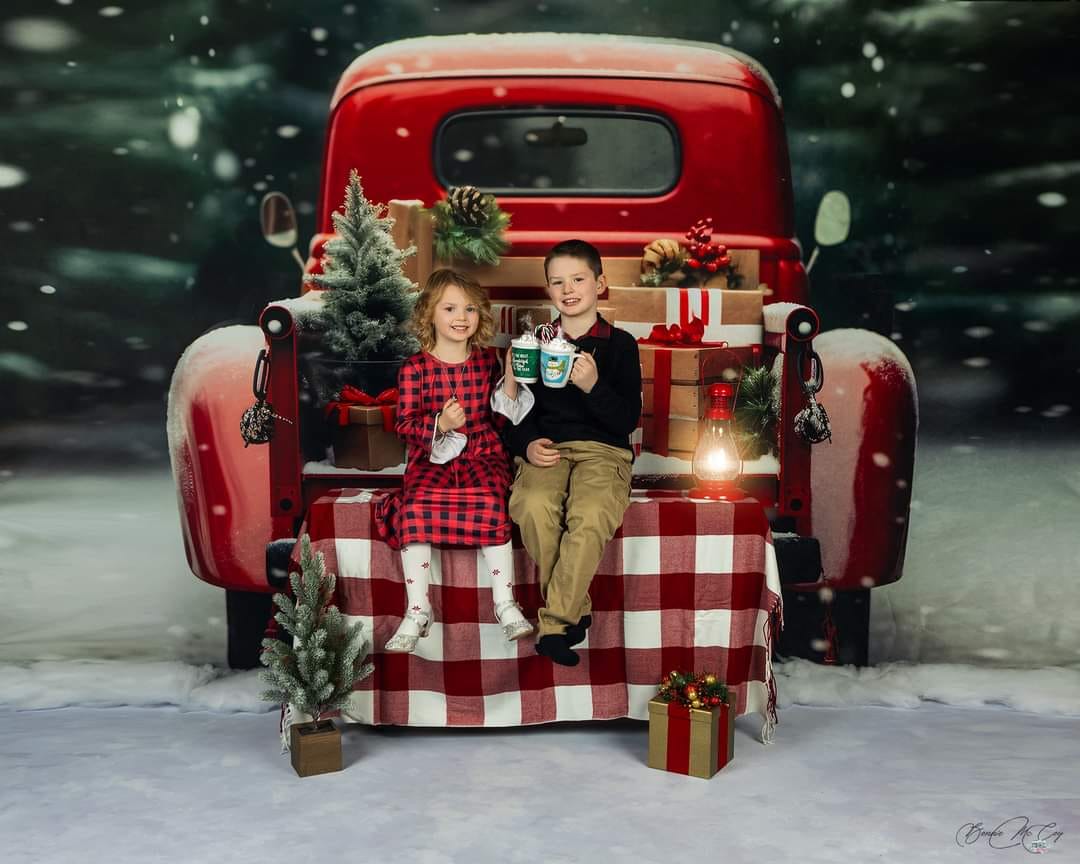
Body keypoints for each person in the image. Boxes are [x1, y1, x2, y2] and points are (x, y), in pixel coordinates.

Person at [375, 268, 535, 653]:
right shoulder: (415, 368)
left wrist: (511, 378)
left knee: (491, 503)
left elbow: (499, 420)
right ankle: (417, 609)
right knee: (415, 508)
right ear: (429, 313)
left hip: (482, 454)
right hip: (434, 459)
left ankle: (505, 602)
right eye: (449, 308)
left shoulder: (485, 363)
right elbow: (404, 425)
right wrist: (440, 424)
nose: (461, 317)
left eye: (470, 309)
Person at [506, 240, 642, 666]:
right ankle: (575, 611)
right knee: (532, 505)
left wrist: (593, 386)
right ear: (548, 291)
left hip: (604, 452)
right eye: (557, 282)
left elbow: (626, 420)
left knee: (589, 515)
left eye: (578, 279)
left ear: (600, 284)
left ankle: (555, 624)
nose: (568, 289)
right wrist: (526, 444)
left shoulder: (620, 345)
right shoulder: (536, 345)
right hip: (547, 450)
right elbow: (516, 411)